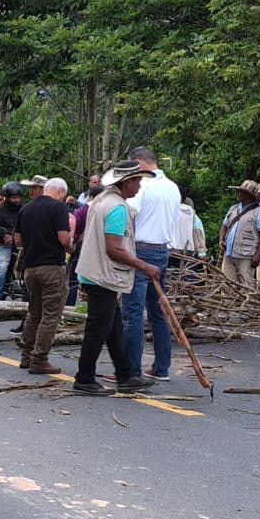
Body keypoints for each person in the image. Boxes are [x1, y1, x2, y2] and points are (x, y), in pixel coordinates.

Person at [73, 160, 158, 394]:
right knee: (98, 329)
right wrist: (144, 266)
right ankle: (84, 379)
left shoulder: (102, 200)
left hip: (96, 272)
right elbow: (115, 248)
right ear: (128, 182)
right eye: (138, 181)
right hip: (103, 273)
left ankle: (125, 374)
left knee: (113, 328)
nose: (140, 186)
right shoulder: (117, 208)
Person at [122, 146, 180, 382]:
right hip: (162, 251)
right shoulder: (172, 186)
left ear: (139, 162)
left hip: (141, 249)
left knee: (133, 312)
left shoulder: (143, 185)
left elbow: (129, 215)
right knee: (158, 311)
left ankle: (131, 369)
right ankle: (161, 367)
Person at [16, 177, 73, 374]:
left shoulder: (26, 209)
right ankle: (39, 358)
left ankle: (26, 355)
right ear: (60, 192)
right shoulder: (59, 208)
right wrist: (70, 244)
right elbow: (63, 238)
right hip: (51, 267)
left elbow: (17, 240)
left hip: (31, 268)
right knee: (51, 314)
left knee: (34, 312)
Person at [220, 181, 260, 288]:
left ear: (249, 196)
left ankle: (248, 305)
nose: (238, 195)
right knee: (227, 285)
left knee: (247, 286)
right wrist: (221, 240)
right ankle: (227, 304)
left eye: (241, 192)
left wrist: (258, 254)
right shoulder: (233, 209)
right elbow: (224, 225)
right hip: (229, 254)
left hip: (247, 255)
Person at [0, 182, 23, 302]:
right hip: (4, 246)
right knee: (2, 268)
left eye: (18, 197)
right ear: (7, 198)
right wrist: (3, 237)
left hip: (22, 245)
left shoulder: (24, 211)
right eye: (14, 197)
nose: (17, 200)